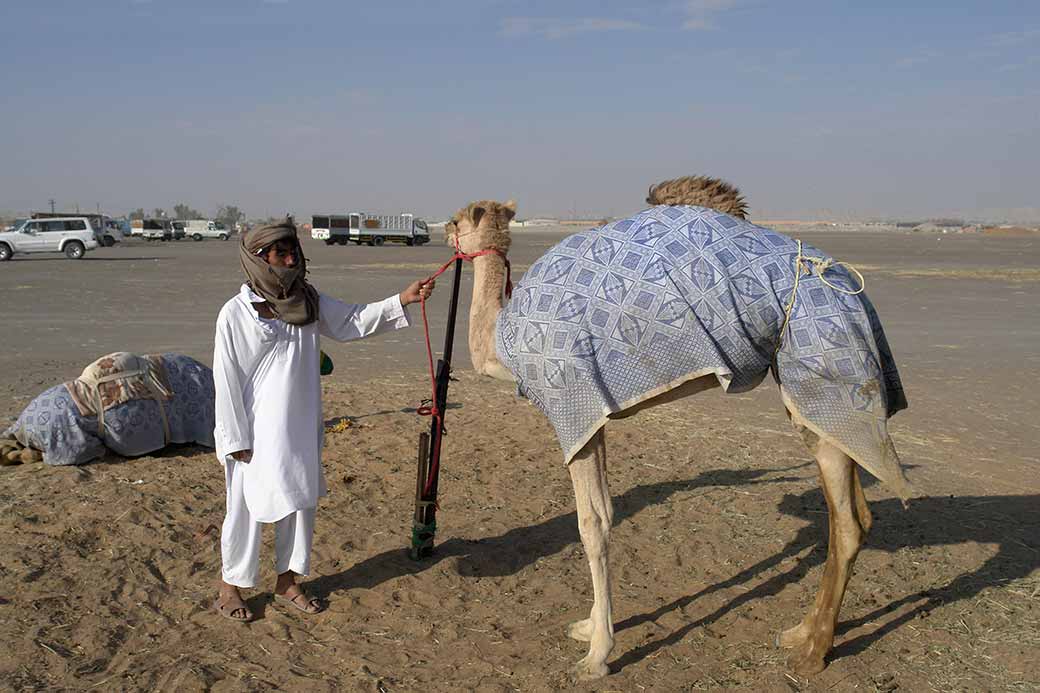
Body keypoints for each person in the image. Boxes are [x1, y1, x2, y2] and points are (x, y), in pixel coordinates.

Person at [212, 219, 434, 621]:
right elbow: (226, 378)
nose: (291, 260)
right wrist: (233, 438)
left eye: (294, 252)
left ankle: (288, 581)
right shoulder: (235, 314)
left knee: (299, 503)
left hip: (299, 425)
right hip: (253, 433)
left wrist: (402, 299)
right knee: (244, 508)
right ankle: (231, 586)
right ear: (259, 259)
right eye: (282, 254)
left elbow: (352, 321)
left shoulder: (308, 300)